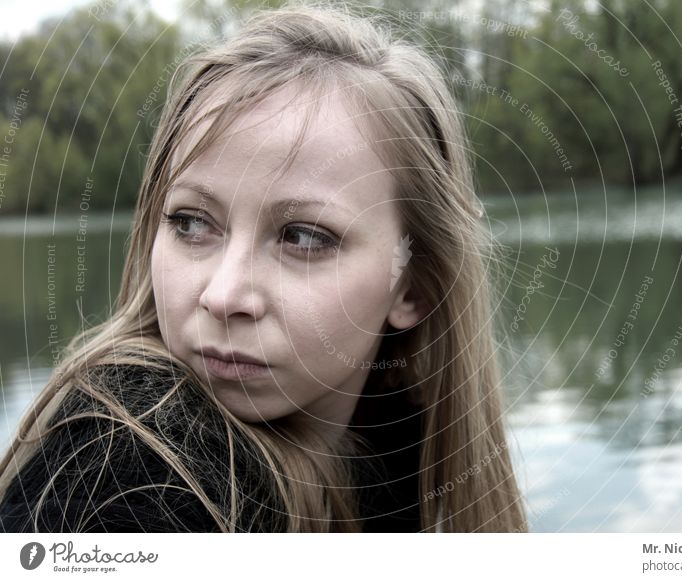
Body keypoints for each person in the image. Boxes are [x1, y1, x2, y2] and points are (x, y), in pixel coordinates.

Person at [0, 2, 528, 533]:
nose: (224, 296)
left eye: (302, 237)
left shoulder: (402, 459)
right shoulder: (127, 475)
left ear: (413, 287)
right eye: (190, 223)